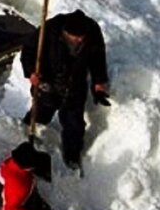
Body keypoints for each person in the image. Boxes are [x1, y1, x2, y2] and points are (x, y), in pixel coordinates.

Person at [21, 9, 111, 171]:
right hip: (48, 80)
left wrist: (98, 82)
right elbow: (28, 50)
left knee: (74, 124)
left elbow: (98, 58)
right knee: (41, 111)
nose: (79, 40)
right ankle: (24, 136)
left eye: (81, 37)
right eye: (75, 37)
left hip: (75, 85)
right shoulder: (50, 29)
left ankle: (72, 157)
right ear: (65, 33)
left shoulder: (92, 31)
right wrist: (31, 72)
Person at [0, 140, 77, 210]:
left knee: (43, 208)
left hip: (12, 188)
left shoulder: (14, 160)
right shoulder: (18, 186)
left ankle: (39, 208)